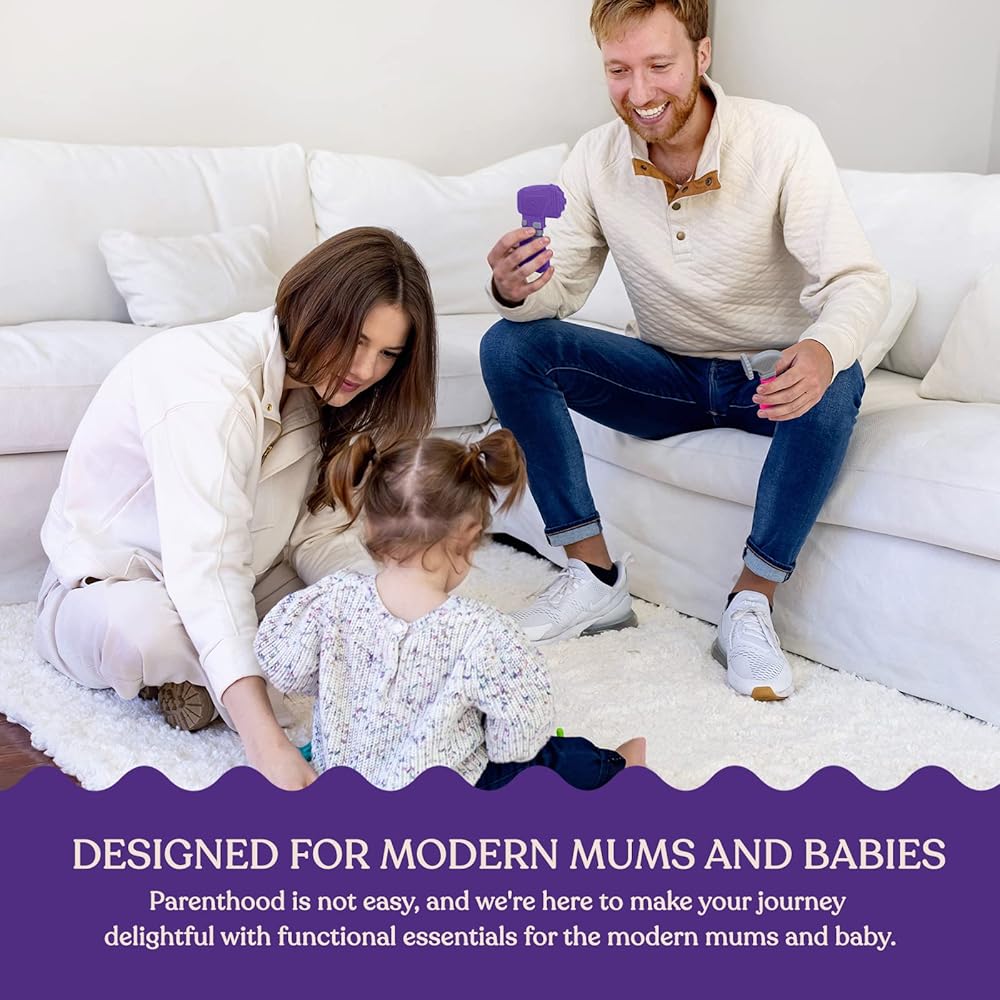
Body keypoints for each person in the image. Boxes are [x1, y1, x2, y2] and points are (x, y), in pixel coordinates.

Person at [479, 0, 890, 701]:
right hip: (665, 376)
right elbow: (561, 291)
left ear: (702, 57)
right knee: (509, 345)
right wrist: (515, 287)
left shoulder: (782, 138)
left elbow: (858, 281)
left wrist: (823, 348)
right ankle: (593, 576)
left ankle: (750, 603)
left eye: (659, 66)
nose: (639, 92)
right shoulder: (594, 158)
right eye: (618, 70)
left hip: (769, 381)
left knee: (838, 372)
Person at [35, 227, 438, 788]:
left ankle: (201, 684)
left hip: (250, 574)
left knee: (353, 613)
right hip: (115, 585)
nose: (366, 370)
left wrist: (397, 612)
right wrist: (268, 746)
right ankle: (225, 686)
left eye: (388, 353)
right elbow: (208, 568)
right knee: (146, 632)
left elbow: (319, 536)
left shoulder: (329, 394)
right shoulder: (206, 387)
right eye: (357, 341)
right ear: (313, 309)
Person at [253, 430, 646, 790]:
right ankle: (618, 767)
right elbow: (520, 737)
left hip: (343, 782)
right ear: (470, 537)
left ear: (368, 526)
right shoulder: (484, 632)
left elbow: (282, 665)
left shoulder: (333, 597)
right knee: (548, 758)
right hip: (445, 794)